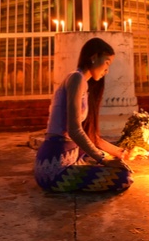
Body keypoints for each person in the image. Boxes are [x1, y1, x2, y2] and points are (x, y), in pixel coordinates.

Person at [34, 37, 134, 193]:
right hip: (55, 167)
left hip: (71, 157)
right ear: (94, 57)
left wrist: (123, 153)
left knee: (119, 165)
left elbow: (92, 137)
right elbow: (74, 130)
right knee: (124, 177)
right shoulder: (76, 78)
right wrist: (103, 159)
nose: (107, 70)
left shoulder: (83, 84)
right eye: (107, 63)